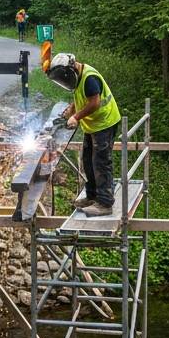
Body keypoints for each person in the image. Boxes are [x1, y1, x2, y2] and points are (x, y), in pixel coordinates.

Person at [46, 52, 120, 217]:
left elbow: (95, 103)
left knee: (101, 162)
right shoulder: (78, 77)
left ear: (71, 69)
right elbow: (80, 96)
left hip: (105, 123)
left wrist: (76, 117)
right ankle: (92, 196)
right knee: (87, 160)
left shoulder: (89, 78)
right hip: (93, 125)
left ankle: (105, 203)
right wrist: (71, 110)